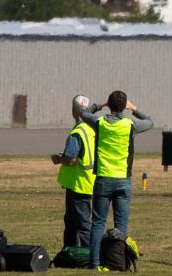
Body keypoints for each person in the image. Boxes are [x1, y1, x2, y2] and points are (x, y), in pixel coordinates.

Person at [80, 90, 153, 271]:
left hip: (104, 178)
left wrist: (100, 105)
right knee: (121, 224)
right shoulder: (130, 125)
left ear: (110, 106)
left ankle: (94, 262)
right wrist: (134, 108)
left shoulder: (100, 122)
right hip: (123, 180)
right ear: (124, 106)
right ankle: (119, 262)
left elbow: (83, 113)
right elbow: (150, 122)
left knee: (98, 222)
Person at [52, 95, 96, 248]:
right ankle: (70, 252)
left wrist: (59, 159)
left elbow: (71, 160)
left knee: (82, 224)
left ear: (73, 111)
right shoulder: (92, 128)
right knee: (71, 221)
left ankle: (89, 255)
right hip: (88, 181)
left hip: (78, 183)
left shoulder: (78, 132)